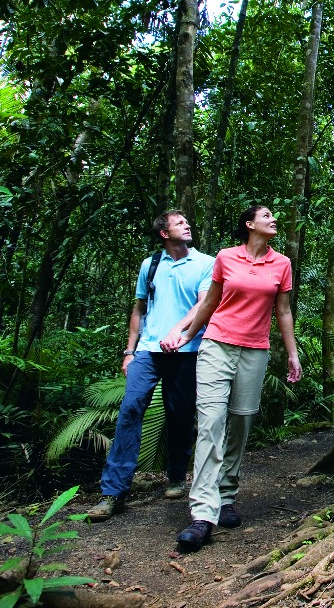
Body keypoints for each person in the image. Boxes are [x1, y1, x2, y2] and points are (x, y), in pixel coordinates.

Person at [160, 204, 302, 552]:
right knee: (210, 423)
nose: (273, 219)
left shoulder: (282, 264)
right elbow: (209, 303)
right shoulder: (226, 257)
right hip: (217, 345)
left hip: (255, 350)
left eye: (273, 216)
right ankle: (202, 515)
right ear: (249, 224)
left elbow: (282, 311)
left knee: (240, 422)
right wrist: (186, 333)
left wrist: (293, 354)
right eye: (266, 215)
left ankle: (226, 496)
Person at [87, 211, 215, 522]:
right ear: (164, 233)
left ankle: (174, 476)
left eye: (187, 221)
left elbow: (203, 303)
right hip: (148, 350)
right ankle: (113, 492)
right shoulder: (151, 264)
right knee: (130, 410)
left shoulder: (205, 263)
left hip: (187, 350)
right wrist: (129, 351)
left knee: (180, 415)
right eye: (179, 223)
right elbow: (139, 309)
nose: (187, 225)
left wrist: (181, 334)